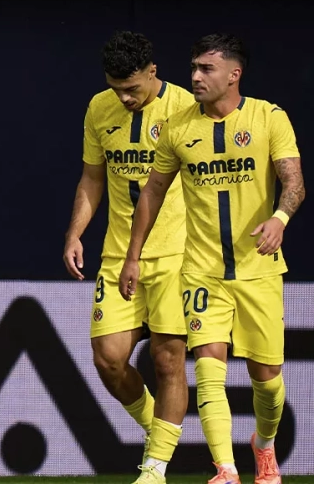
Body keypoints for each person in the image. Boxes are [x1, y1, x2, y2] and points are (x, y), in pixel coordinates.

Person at [120, 34, 304, 484]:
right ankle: (225, 470)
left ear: (233, 75)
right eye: (194, 68)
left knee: (268, 383)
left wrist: (279, 218)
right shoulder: (179, 128)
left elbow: (294, 182)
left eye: (206, 69)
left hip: (259, 270)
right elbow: (152, 194)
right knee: (207, 368)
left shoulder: (268, 117)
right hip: (201, 270)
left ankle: (263, 445)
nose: (195, 77)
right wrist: (133, 255)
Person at [64, 31, 194, 483]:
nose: (125, 97)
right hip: (119, 255)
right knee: (109, 358)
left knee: (168, 359)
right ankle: (161, 430)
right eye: (116, 87)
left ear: (153, 72)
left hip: (177, 254)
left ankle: (155, 468)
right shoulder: (100, 108)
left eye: (133, 88)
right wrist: (75, 233)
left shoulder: (183, 108)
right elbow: (92, 177)